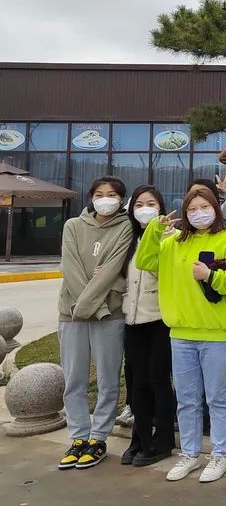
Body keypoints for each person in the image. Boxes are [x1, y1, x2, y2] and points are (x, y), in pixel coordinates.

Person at [135, 185, 226, 483]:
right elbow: (144, 261)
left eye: (205, 207)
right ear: (185, 214)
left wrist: (211, 275)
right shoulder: (172, 242)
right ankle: (190, 453)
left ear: (215, 208)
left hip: (217, 334)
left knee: (218, 399)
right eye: (192, 209)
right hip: (181, 333)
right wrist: (153, 231)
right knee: (187, 400)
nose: (199, 214)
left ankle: (220, 455)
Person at [57, 176, 133, 471]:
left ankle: (98, 437)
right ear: (91, 197)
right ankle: (78, 437)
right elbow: (71, 269)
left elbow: (112, 270)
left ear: (121, 199)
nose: (105, 199)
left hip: (110, 316)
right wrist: (93, 307)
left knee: (108, 380)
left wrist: (100, 309)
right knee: (74, 379)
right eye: (99, 194)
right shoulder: (72, 226)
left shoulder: (125, 227)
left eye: (111, 194)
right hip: (72, 314)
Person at [120, 185, 176, 468]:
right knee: (137, 383)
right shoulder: (129, 239)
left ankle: (163, 440)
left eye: (151, 203)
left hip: (158, 320)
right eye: (139, 204)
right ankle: (140, 439)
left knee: (158, 380)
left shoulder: (170, 237)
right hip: (132, 320)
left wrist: (157, 233)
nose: (145, 209)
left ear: (160, 207)